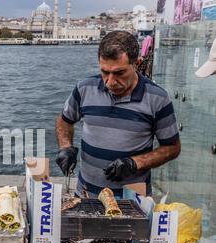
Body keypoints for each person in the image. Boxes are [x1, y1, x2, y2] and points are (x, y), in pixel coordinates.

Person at [55, 31, 181, 198]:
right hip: (86, 195)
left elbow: (172, 148)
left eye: (119, 73)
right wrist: (66, 147)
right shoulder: (84, 88)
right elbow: (64, 121)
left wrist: (135, 163)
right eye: (105, 72)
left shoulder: (158, 98)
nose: (110, 82)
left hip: (132, 201)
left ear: (137, 63)